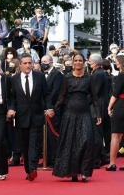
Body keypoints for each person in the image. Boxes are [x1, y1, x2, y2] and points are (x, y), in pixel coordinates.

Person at [52, 54, 101, 182]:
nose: (78, 62)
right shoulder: (67, 78)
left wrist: (98, 114)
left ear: (84, 62)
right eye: (76, 61)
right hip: (70, 114)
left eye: (80, 60)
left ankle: (84, 172)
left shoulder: (89, 78)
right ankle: (73, 171)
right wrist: (54, 109)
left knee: (86, 142)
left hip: (85, 113)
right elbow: (62, 96)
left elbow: (94, 98)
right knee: (71, 143)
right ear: (73, 63)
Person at [7, 53, 54, 181]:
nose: (28, 65)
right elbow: (12, 98)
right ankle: (28, 169)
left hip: (37, 116)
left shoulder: (40, 77)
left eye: (30, 63)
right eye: (25, 63)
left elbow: (47, 95)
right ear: (20, 65)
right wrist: (11, 109)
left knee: (34, 144)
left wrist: (49, 108)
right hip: (21, 117)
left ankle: (33, 169)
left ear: (33, 63)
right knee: (25, 145)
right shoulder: (14, 79)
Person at [40, 55, 64, 167]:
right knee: (45, 137)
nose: (43, 63)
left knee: (52, 136)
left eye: (45, 61)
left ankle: (55, 160)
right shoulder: (40, 75)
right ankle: (47, 159)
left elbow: (55, 93)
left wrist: (47, 105)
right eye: (42, 61)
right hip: (42, 110)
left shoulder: (57, 75)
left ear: (51, 62)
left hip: (52, 110)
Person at [88, 54, 110, 169]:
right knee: (96, 134)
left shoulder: (98, 74)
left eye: (90, 61)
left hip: (97, 108)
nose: (88, 62)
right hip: (98, 107)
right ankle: (103, 157)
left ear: (95, 63)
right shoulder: (99, 73)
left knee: (96, 135)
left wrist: (84, 102)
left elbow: (94, 93)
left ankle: (96, 160)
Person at [107, 55, 124, 171]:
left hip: (121, 105)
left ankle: (112, 163)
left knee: (115, 135)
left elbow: (115, 93)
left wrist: (109, 106)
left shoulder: (122, 75)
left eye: (117, 62)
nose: (115, 64)